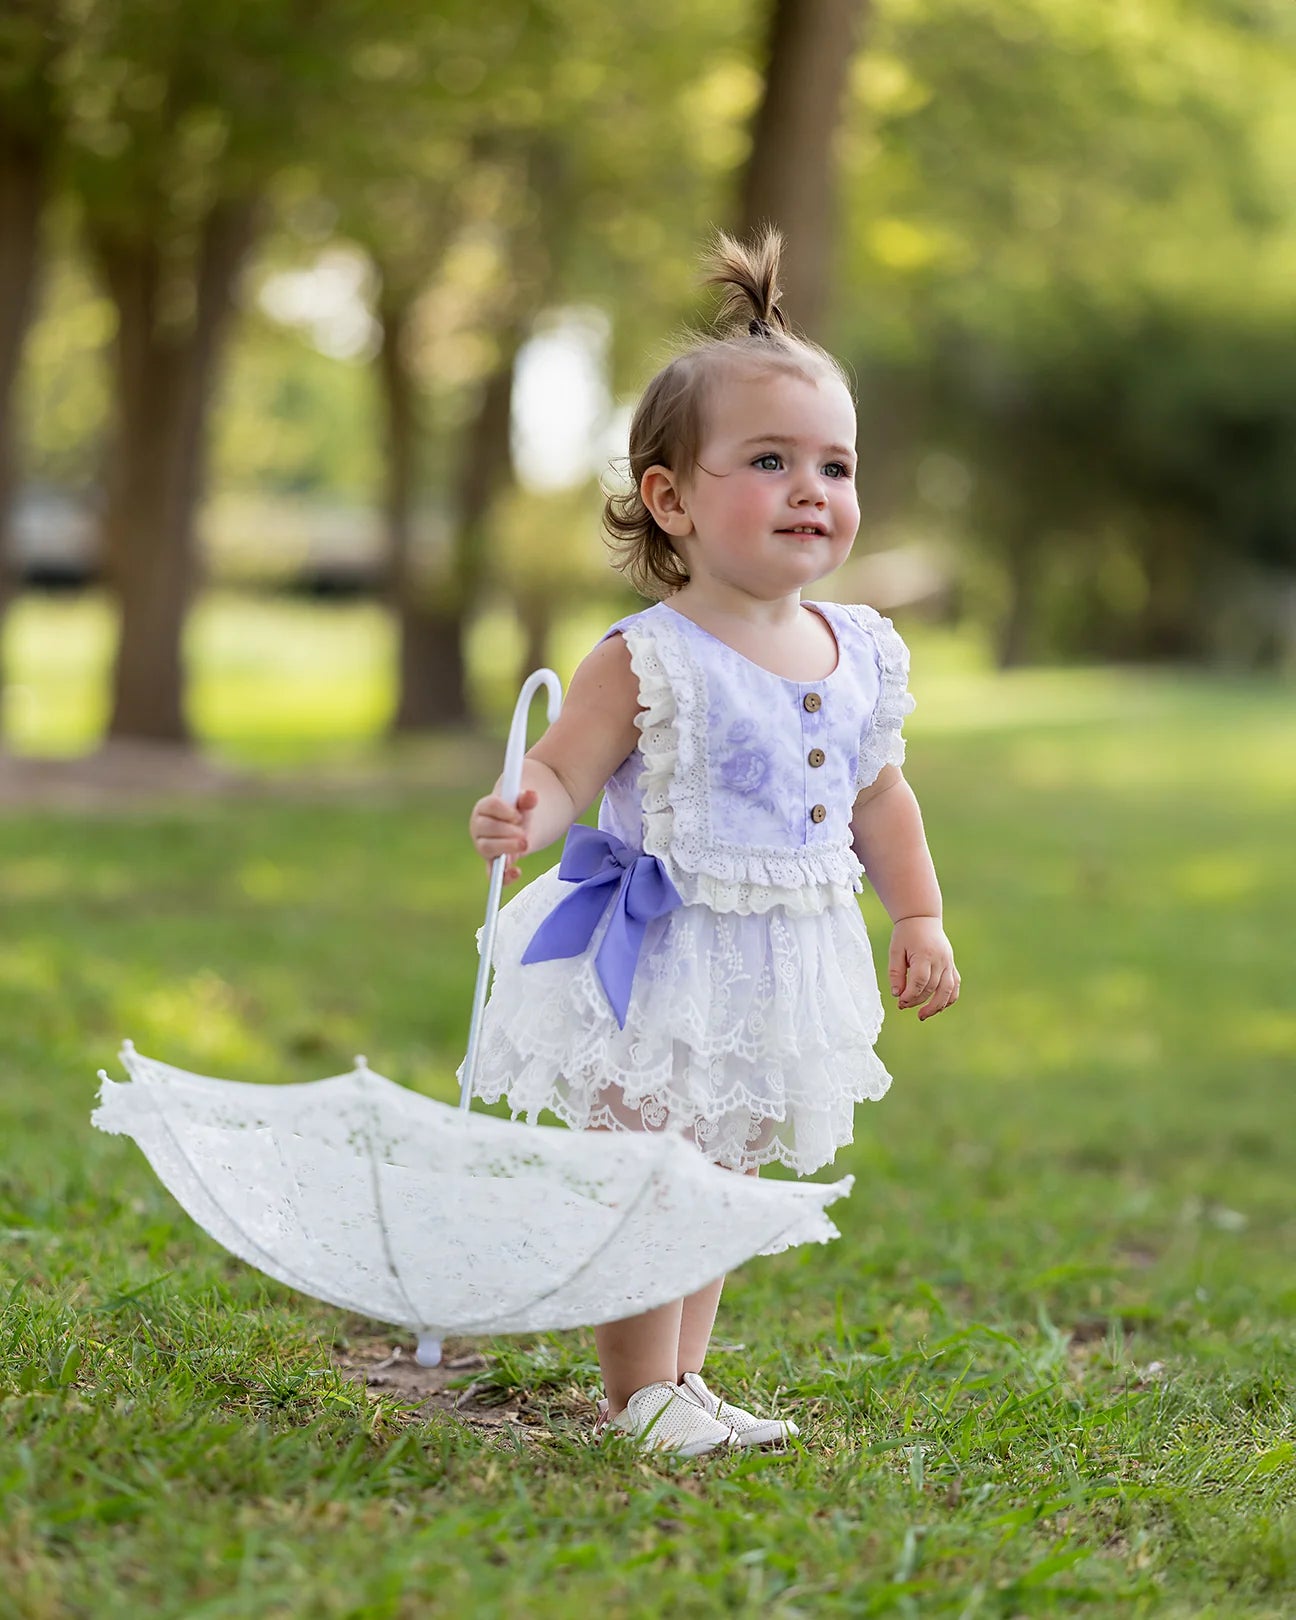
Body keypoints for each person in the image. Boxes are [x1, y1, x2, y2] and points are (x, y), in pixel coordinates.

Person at [467, 228, 959, 1457]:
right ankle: (635, 1394)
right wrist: (529, 805)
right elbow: (568, 765)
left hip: (784, 960)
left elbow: (880, 799)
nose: (813, 489)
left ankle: (686, 1382)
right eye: (770, 461)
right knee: (649, 1175)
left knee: (725, 1176)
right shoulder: (650, 656)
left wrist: (918, 914)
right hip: (663, 955)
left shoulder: (860, 652)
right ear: (671, 497)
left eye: (835, 465)